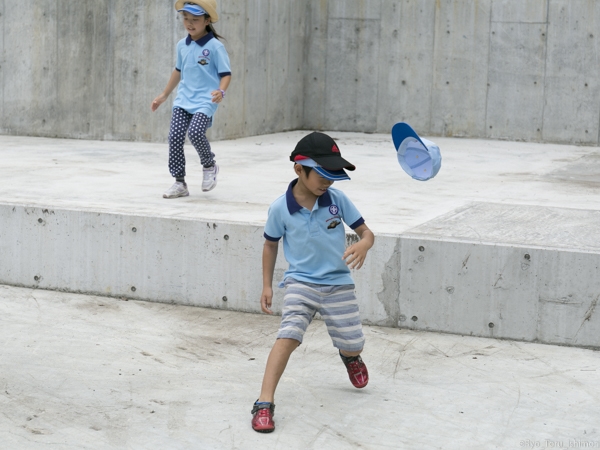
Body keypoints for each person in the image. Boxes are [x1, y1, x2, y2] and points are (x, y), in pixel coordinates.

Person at [251, 132, 375, 433]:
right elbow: (270, 245)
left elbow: (367, 233)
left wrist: (364, 244)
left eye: (333, 176)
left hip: (338, 284)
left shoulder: (337, 200)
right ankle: (264, 402)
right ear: (298, 169)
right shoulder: (280, 208)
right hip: (301, 283)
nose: (327, 182)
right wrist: (267, 285)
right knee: (288, 336)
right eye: (321, 174)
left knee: (352, 342)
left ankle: (351, 357)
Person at [151, 0, 231, 198]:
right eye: (186, 18)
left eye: (195, 19)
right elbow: (178, 71)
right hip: (183, 100)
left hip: (206, 101)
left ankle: (209, 165)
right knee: (175, 137)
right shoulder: (182, 45)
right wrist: (164, 95)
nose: (189, 23)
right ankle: (180, 183)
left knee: (196, 133)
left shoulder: (215, 47)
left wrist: (221, 91)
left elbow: (226, 74)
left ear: (207, 20)